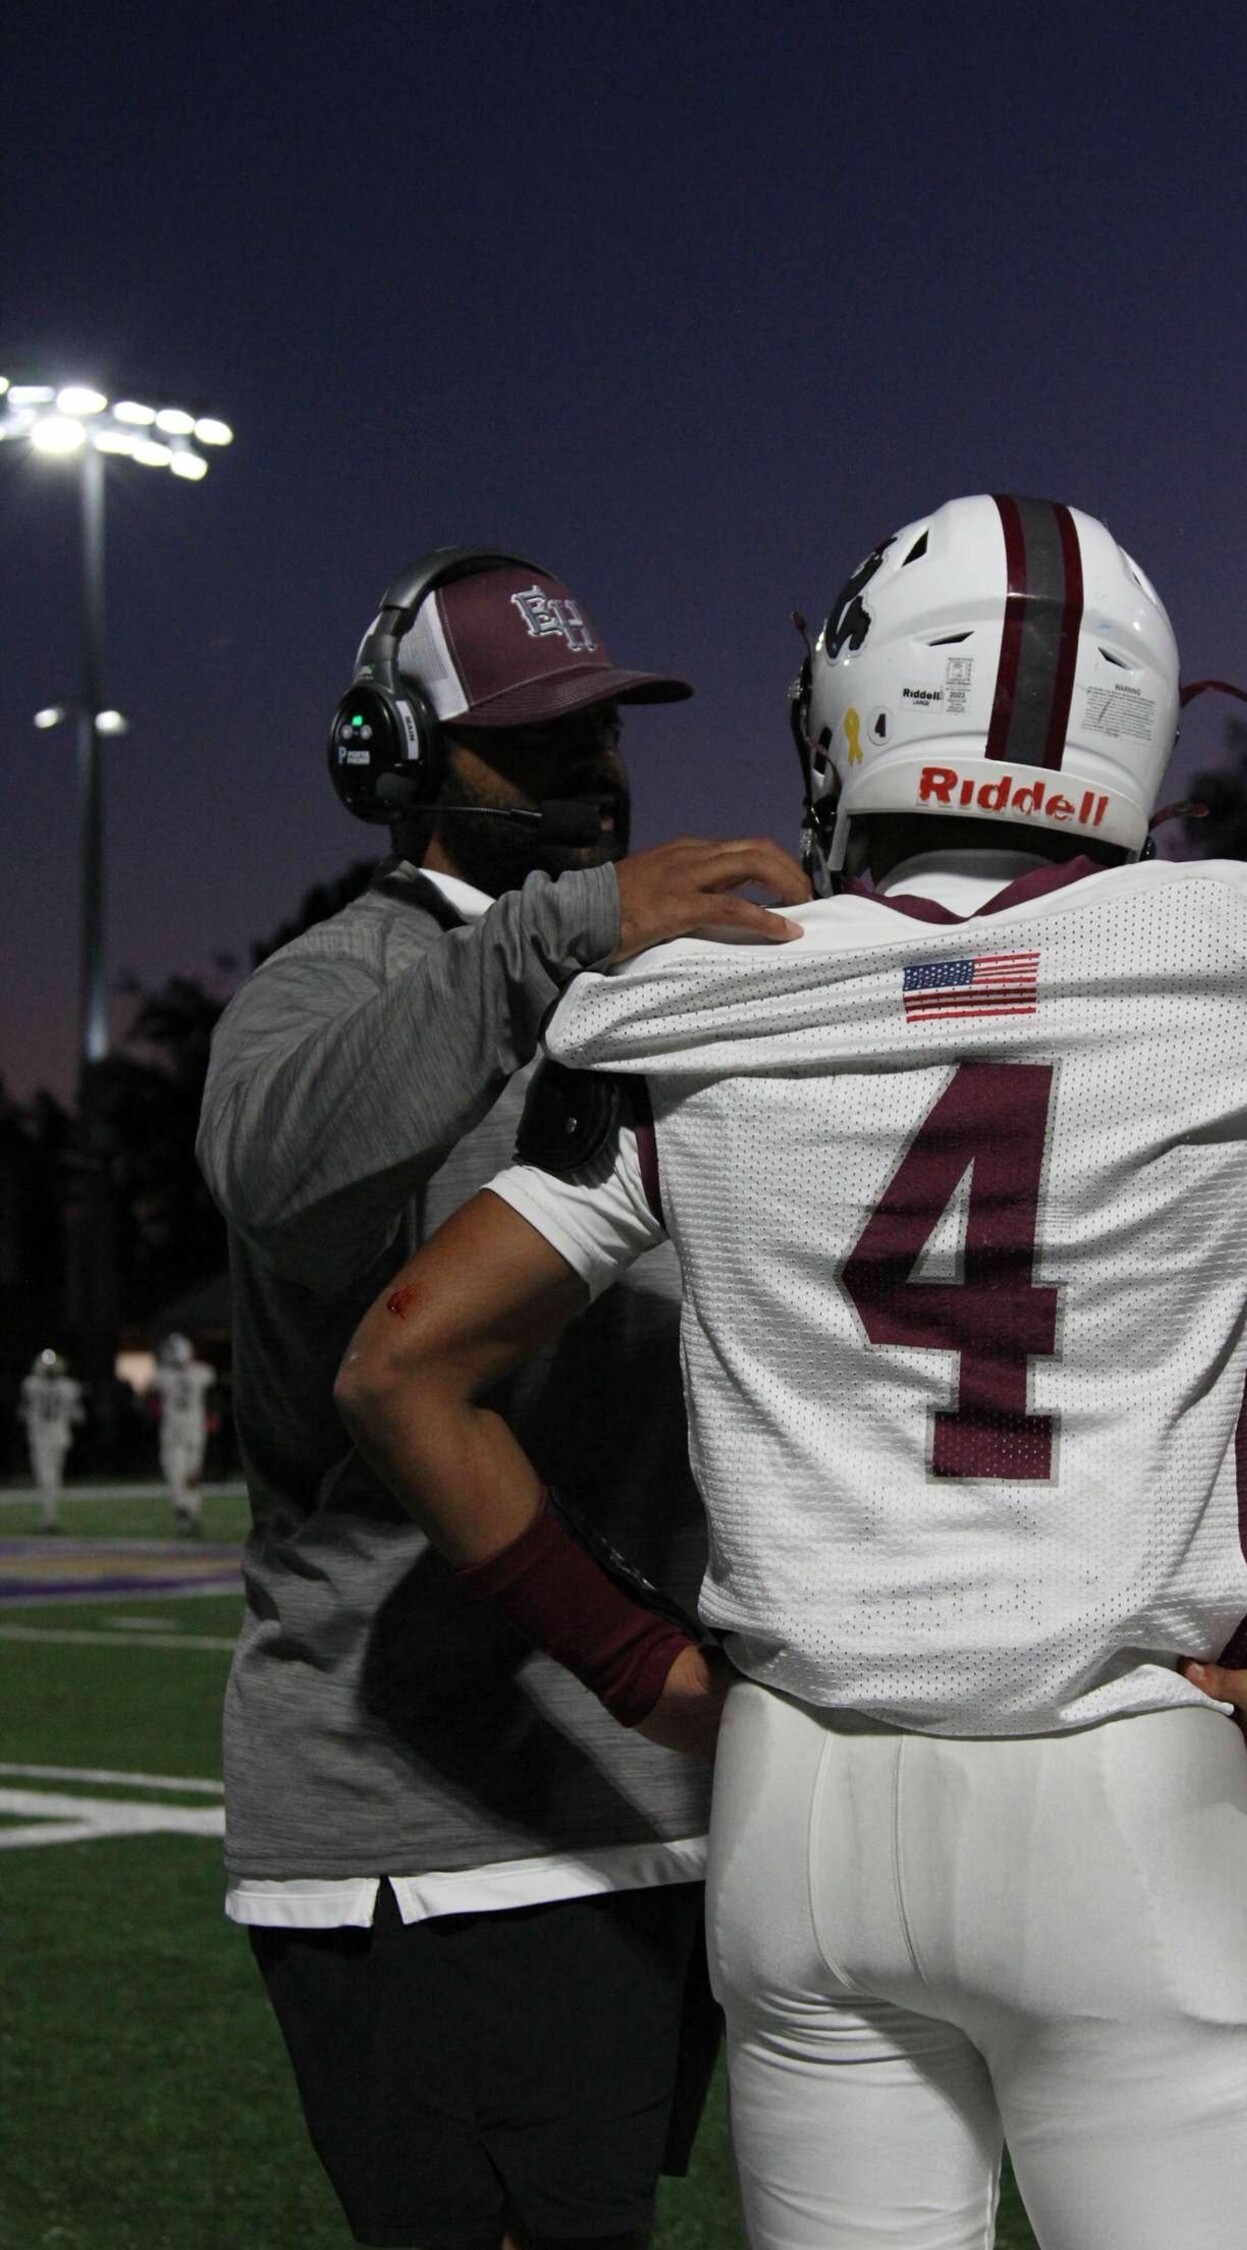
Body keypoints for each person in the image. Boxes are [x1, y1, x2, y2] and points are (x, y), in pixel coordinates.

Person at [335, 495, 1247, 2250]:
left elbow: (401, 1366)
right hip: (1124, 1797)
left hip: (799, 1806)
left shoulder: (718, 1002)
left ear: (860, 709)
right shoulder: (1240, 972)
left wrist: (641, 1661)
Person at [196, 544, 809, 2250]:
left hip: (675, 1791)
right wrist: (553, 935)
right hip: (439, 1819)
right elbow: (277, 1170)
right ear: (395, 762)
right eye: (535, 744)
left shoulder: (656, 976)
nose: (589, 779)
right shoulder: (337, 989)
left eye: (600, 736)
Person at [148, 1331, 216, 1535]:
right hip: (195, 1430)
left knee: (175, 1473)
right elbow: (210, 1387)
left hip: (173, 1430)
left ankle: (183, 1507)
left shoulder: (162, 1376)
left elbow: (150, 1393)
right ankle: (192, 1513)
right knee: (192, 1475)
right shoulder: (203, 1372)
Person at [18, 1349, 85, 1532]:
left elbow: (23, 1412)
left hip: (41, 1438)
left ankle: (49, 1518)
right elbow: (78, 1416)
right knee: (54, 1477)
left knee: (46, 1479)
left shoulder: (30, 1384)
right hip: (61, 1437)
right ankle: (50, 1515)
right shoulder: (69, 1386)